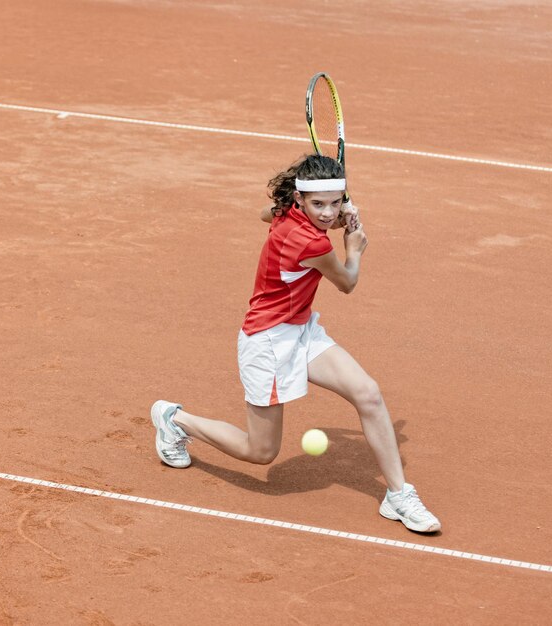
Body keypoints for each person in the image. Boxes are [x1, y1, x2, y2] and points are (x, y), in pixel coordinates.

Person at [151, 154, 440, 533]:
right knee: (261, 452)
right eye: (318, 204)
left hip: (301, 329)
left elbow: (264, 215)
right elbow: (348, 282)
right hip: (268, 341)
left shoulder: (286, 210)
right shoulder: (308, 243)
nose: (327, 211)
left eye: (335, 202)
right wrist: (354, 245)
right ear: (301, 199)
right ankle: (175, 421)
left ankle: (399, 495)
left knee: (367, 393)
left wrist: (330, 218)